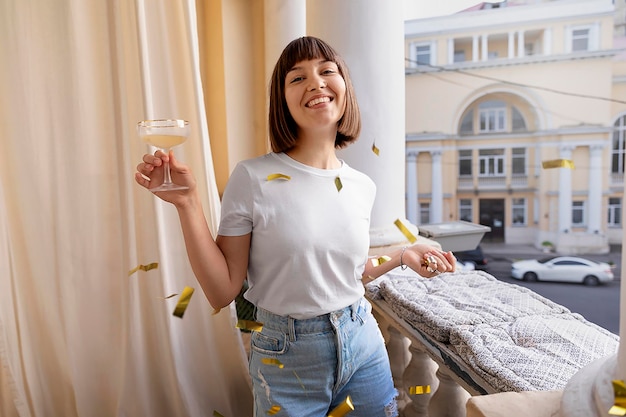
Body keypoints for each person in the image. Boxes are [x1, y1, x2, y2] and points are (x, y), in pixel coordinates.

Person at [135, 36, 456, 417]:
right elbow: (222, 291)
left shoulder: (361, 186)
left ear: (344, 88)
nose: (316, 82)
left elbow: (344, 275)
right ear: (283, 100)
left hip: (364, 343)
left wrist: (403, 254)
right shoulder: (253, 177)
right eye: (297, 78)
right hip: (285, 359)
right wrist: (187, 203)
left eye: (326, 71)